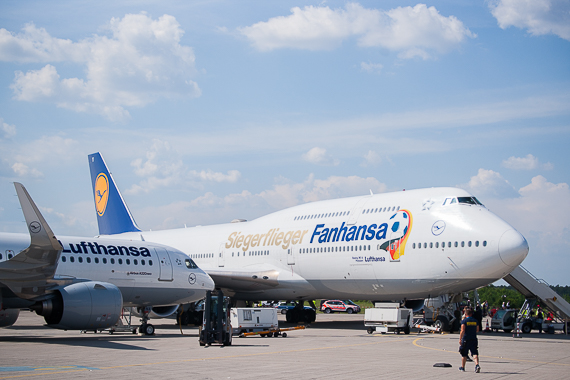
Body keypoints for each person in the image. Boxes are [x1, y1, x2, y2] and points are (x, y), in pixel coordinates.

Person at [459, 307, 481, 373]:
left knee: (464, 354)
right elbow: (477, 330)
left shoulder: (464, 321)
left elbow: (462, 330)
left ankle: (462, 367)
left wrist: (460, 339)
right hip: (473, 339)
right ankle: (477, 365)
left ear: (465, 314)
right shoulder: (475, 321)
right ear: (471, 314)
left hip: (466, 339)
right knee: (474, 353)